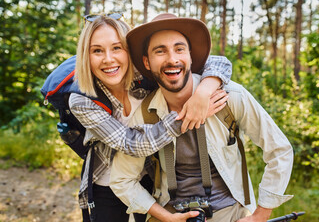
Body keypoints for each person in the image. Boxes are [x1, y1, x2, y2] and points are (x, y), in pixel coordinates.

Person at [110, 13, 294, 222]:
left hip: (231, 214)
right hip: (171, 215)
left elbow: (279, 150)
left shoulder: (229, 97)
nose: (172, 59)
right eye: (160, 51)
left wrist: (260, 215)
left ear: (190, 56)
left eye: (179, 49)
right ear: (147, 62)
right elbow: (122, 179)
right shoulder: (144, 114)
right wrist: (164, 217)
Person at [69, 13, 232, 222]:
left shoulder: (147, 73)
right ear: (86, 55)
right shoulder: (82, 99)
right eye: (97, 50)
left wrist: (202, 93)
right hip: (106, 183)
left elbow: (218, 62)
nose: (108, 59)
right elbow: (132, 144)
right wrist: (188, 116)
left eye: (117, 48)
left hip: (149, 175)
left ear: (130, 51)